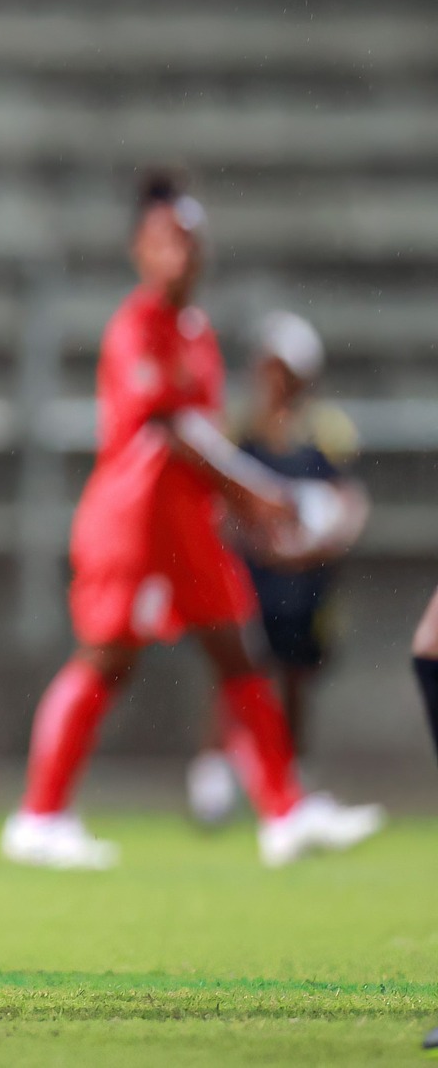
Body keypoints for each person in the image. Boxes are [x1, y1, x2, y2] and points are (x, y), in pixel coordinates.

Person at [3, 174, 384, 871]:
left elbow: (201, 440)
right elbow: (175, 433)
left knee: (238, 653)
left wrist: (242, 505)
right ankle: (39, 814)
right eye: (165, 240)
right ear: (139, 251)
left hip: (186, 524)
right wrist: (261, 494)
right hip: (136, 521)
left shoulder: (195, 332)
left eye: (188, 240)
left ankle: (285, 812)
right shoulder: (137, 327)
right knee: (106, 659)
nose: (180, 253)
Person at [186, 311, 366, 827]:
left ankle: (293, 775)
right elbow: (219, 501)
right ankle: (214, 779)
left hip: (308, 577)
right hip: (251, 571)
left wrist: (321, 542)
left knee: (295, 674)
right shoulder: (240, 429)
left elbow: (347, 501)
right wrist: (259, 542)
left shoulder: (326, 432)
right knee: (236, 669)